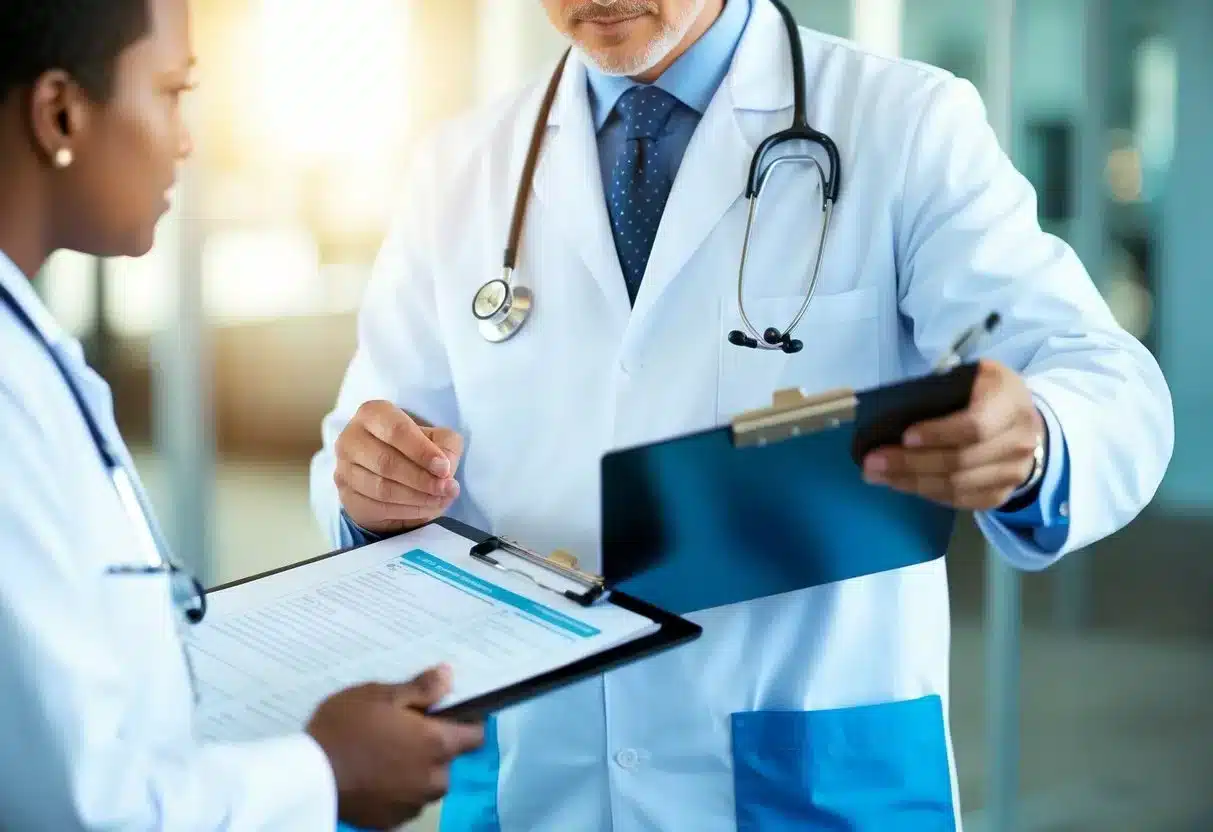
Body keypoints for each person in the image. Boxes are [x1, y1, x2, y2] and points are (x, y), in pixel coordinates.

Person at [311, 0, 1174, 828]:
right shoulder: (460, 165)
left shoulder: (904, 122)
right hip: (537, 770)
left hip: (808, 768)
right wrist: (367, 488)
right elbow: (364, 437)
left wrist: (1036, 442)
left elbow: (1105, 378)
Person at [0, 1, 482, 829]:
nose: (185, 139)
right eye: (172, 91)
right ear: (61, 113)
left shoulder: (30, 352)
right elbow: (80, 808)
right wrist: (323, 774)